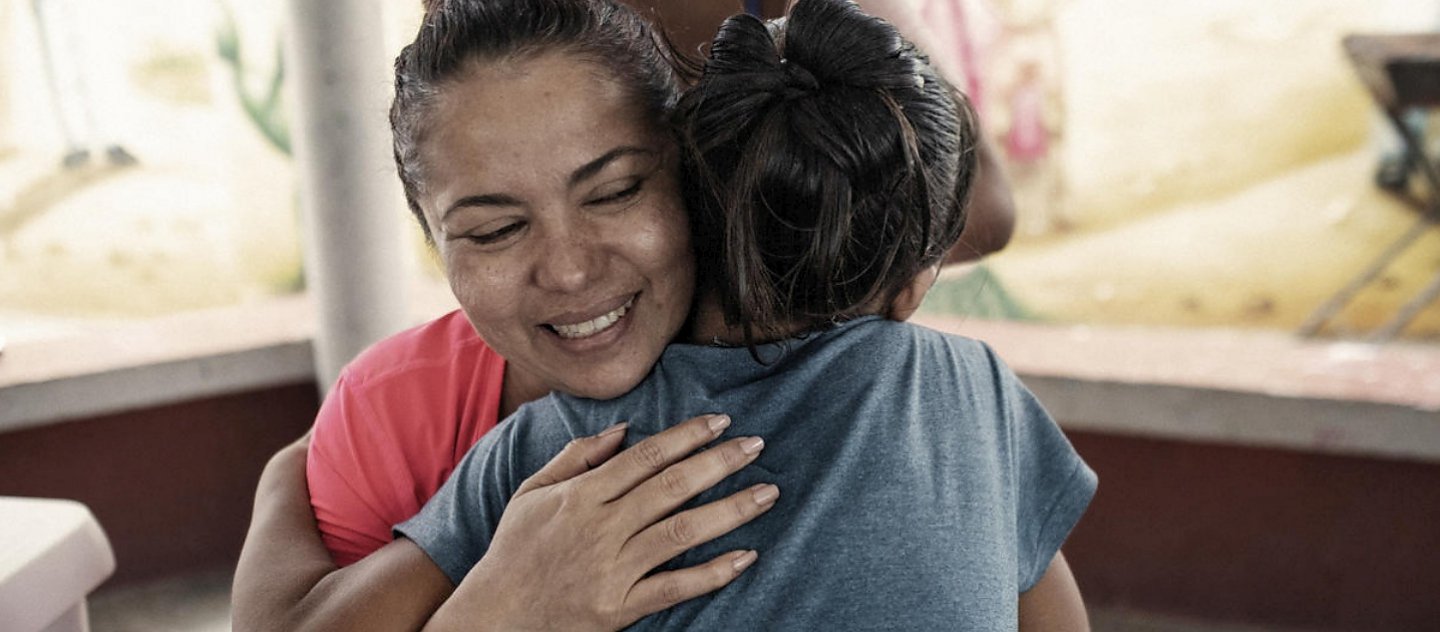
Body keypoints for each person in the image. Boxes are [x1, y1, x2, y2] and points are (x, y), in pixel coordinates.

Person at [231, 0, 1018, 628]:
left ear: (701, 175)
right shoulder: (408, 416)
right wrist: (498, 607)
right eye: (496, 229)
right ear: (433, 238)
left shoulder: (887, 390)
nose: (570, 268)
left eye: (616, 192)